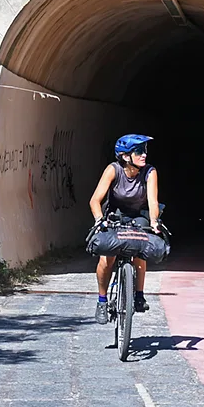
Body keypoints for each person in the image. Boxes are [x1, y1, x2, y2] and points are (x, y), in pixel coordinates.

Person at [88, 134, 160, 324]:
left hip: (138, 216)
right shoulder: (113, 170)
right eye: (138, 151)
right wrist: (99, 220)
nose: (144, 155)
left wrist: (154, 222)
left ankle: (139, 295)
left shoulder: (150, 172)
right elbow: (95, 200)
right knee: (107, 259)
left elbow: (153, 202)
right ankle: (102, 301)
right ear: (126, 156)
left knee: (140, 250)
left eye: (145, 150)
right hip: (115, 215)